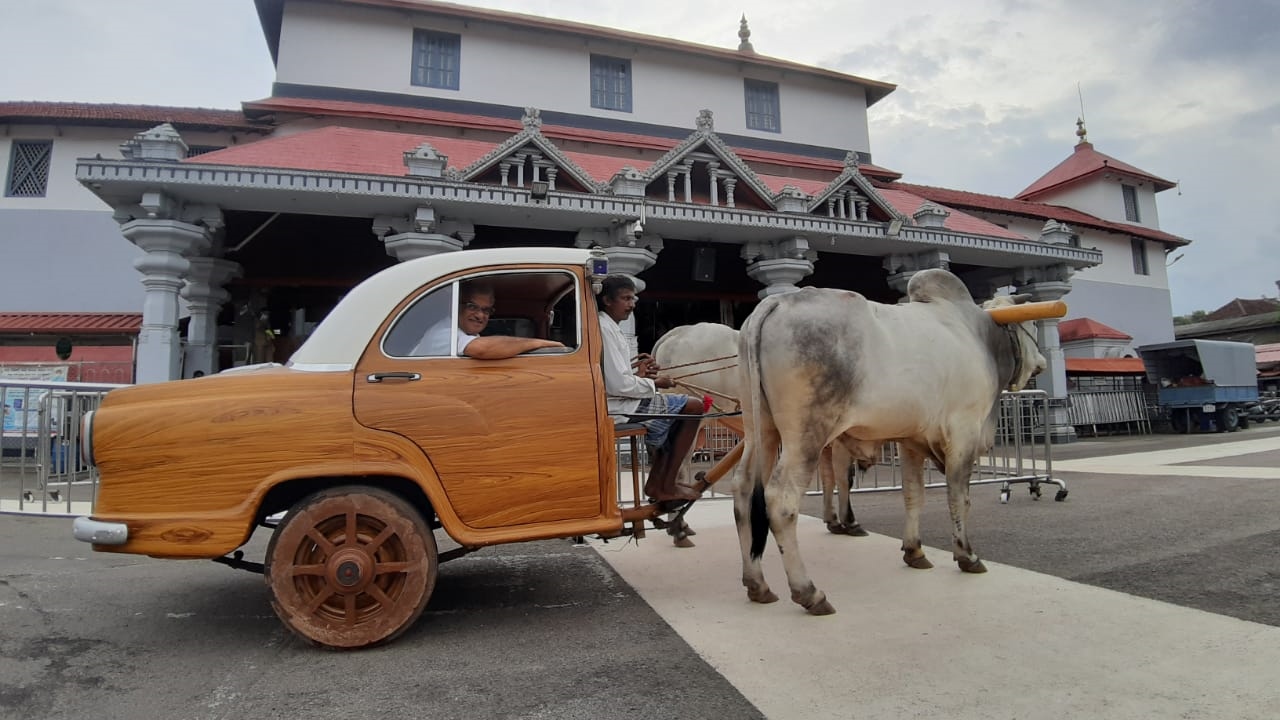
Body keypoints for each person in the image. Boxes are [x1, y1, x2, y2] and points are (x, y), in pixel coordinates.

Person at [597, 275, 705, 507]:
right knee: (694, 406)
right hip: (619, 407)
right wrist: (657, 383)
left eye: (633, 298)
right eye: (625, 299)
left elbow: (619, 379)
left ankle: (660, 482)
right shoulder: (604, 328)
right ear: (607, 300)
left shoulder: (609, 327)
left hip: (622, 402)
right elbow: (619, 386)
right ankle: (664, 485)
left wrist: (641, 375)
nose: (632, 304)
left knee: (678, 417)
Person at [412, 280, 563, 359]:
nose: (480, 315)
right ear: (454, 306)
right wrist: (539, 343)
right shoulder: (443, 334)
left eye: (486, 310)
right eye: (472, 306)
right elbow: (482, 349)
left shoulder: (466, 334)